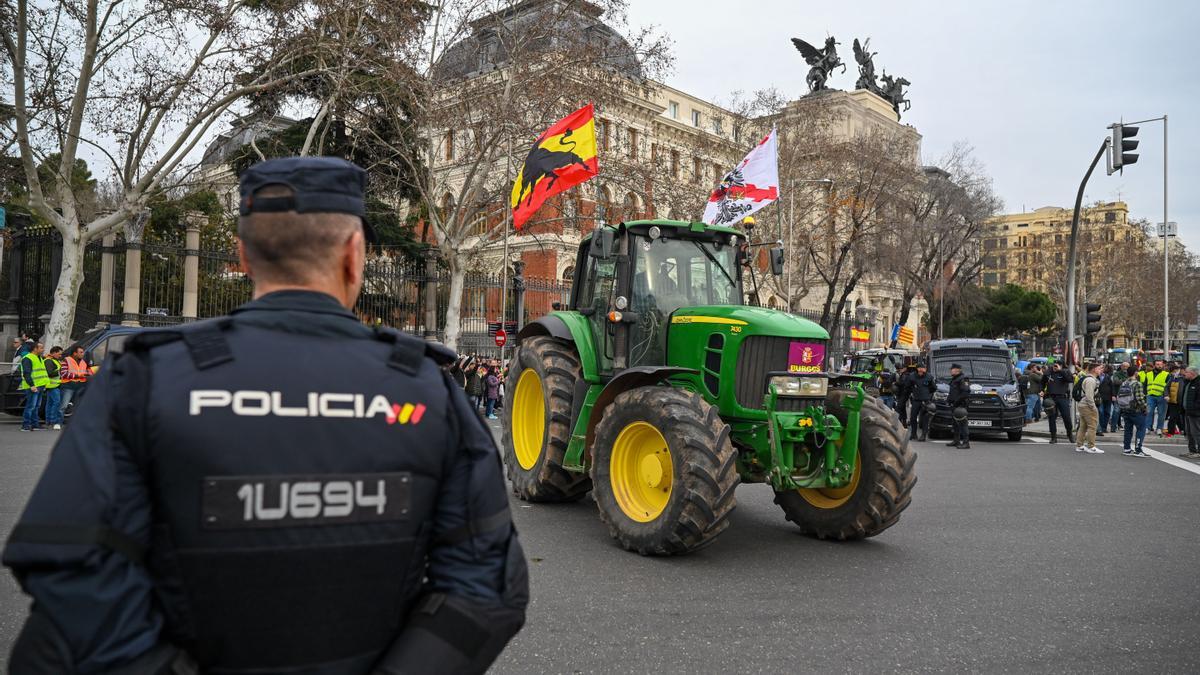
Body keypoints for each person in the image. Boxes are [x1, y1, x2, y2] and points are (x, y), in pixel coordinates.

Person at [2, 157, 528, 674]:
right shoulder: (428, 388)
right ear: (354, 253)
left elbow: (71, 567)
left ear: (243, 254)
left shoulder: (144, 380)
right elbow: (487, 585)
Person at [1117, 363, 1150, 457]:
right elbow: (1139, 398)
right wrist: (1145, 408)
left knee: (1128, 430)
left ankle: (1126, 449)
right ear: (1135, 373)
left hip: (1125, 409)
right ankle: (1138, 450)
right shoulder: (1137, 384)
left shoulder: (1124, 383)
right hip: (1136, 410)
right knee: (1141, 428)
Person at [17, 341, 47, 432]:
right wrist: (32, 385)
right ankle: (25, 425)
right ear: (35, 349)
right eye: (41, 348)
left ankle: (35, 425)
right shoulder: (28, 358)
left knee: (36, 406)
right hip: (33, 386)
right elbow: (27, 373)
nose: (43, 349)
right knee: (31, 406)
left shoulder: (39, 358)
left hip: (40, 385)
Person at [1042, 361, 1075, 444]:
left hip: (1062, 398)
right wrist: (1041, 390)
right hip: (1051, 398)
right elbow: (1042, 382)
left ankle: (1069, 434)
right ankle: (1053, 437)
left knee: (1066, 417)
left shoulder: (1065, 372)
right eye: (1054, 365)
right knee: (1052, 418)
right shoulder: (1049, 373)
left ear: (1061, 366)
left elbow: (1070, 380)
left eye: (1057, 365)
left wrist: (1061, 370)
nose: (1055, 367)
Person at [1074, 362, 1103, 454]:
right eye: (1099, 368)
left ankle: (1080, 445)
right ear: (1094, 369)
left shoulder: (1087, 378)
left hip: (1083, 404)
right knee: (1092, 426)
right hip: (1087, 405)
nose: (1101, 370)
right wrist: (1093, 407)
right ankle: (1091, 446)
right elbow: (1089, 396)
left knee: (1083, 426)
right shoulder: (1091, 380)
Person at [58, 344, 91, 417]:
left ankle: (74, 425)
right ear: (75, 353)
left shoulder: (83, 362)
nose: (83, 354)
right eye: (81, 352)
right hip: (68, 386)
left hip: (80, 386)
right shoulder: (66, 360)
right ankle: (58, 422)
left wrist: (88, 373)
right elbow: (63, 374)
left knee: (78, 407)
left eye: (83, 352)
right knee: (63, 406)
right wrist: (77, 375)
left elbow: (89, 372)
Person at [907, 362, 936, 441]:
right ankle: (913, 434)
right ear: (917, 369)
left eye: (923, 368)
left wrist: (927, 394)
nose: (922, 370)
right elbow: (908, 386)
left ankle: (923, 435)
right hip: (916, 400)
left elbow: (934, 388)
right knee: (913, 418)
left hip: (925, 400)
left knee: (924, 419)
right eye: (920, 368)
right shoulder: (912, 376)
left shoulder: (929, 376)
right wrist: (913, 391)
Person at [1140, 359, 1169, 436]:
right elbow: (1145, 385)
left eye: (1160, 364)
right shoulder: (1148, 374)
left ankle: (1159, 428)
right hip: (1150, 396)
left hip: (1162, 396)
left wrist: (1166, 395)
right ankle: (1147, 428)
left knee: (1161, 413)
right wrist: (1144, 394)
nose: (1159, 366)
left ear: (1163, 365)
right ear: (1154, 365)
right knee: (1149, 412)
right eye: (1157, 364)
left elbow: (1168, 386)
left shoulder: (1166, 374)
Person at [946, 363, 971, 449]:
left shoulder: (963, 379)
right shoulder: (955, 379)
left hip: (961, 405)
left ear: (957, 370)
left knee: (963, 424)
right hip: (955, 405)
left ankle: (966, 443)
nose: (950, 371)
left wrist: (956, 402)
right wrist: (949, 400)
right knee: (955, 424)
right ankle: (956, 440)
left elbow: (965, 393)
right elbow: (953, 392)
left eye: (952, 369)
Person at [1179, 367, 1200, 459]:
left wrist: (1194, 408)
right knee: (1189, 432)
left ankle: (1198, 451)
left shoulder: (1198, 383)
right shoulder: (1188, 382)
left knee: (1196, 432)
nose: (1185, 374)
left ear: (1192, 373)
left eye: (1186, 372)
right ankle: (1192, 450)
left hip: (1195, 413)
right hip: (1187, 412)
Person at [42, 345, 65, 430]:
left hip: (54, 385)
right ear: (54, 353)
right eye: (59, 354)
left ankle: (49, 421)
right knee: (56, 402)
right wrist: (60, 370)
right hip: (52, 385)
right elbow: (50, 373)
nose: (60, 356)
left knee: (50, 403)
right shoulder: (49, 361)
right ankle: (53, 421)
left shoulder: (54, 360)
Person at [1164, 364, 1184, 437]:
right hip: (1173, 401)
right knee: (1172, 417)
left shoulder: (1187, 379)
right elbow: (1166, 387)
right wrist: (1166, 395)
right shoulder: (1174, 377)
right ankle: (1170, 432)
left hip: (1183, 402)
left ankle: (1182, 429)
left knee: (1179, 416)